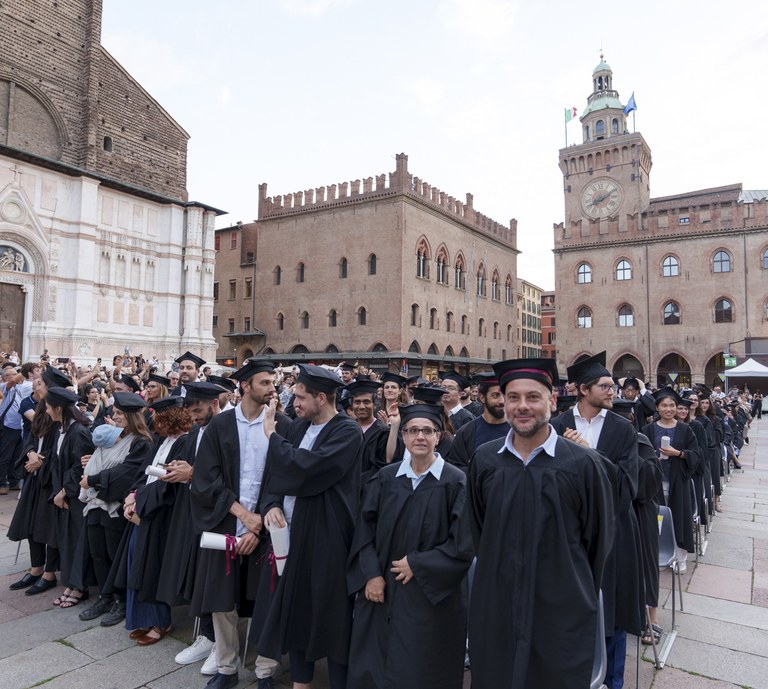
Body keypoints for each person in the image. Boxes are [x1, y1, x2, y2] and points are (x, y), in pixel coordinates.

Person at [467, 357, 615, 689]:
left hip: (560, 606)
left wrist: (571, 588)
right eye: (513, 397)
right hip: (498, 602)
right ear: (503, 402)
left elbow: (599, 541)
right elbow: (479, 531)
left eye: (533, 397)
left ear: (551, 400)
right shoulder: (486, 461)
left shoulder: (583, 465)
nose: (522, 406)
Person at [347, 403, 473, 689]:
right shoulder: (386, 478)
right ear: (402, 436)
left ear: (438, 436)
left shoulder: (455, 482)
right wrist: (371, 575)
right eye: (413, 430)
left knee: (421, 666)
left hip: (431, 596)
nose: (420, 437)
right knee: (376, 664)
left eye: (427, 431)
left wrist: (419, 563)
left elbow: (464, 545)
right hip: (382, 591)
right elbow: (364, 529)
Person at [258, 364, 363, 689]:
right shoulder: (300, 428)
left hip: (327, 536)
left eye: (301, 397)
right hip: (291, 535)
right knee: (298, 611)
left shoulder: (346, 431)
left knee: (333, 617)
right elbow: (276, 473)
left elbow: (308, 469)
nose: (295, 403)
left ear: (321, 397)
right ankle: (300, 682)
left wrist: (272, 436)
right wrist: (272, 503)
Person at [190, 360, 290, 689]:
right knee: (223, 601)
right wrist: (243, 517)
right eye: (264, 383)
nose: (272, 388)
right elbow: (206, 478)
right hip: (226, 523)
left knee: (267, 599)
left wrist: (257, 523)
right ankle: (227, 668)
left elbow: (284, 476)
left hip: (268, 526)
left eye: (272, 382)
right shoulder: (220, 425)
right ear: (245, 386)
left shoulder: (282, 425)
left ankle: (265, 670)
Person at [551, 352, 643, 689]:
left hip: (613, 533)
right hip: (569, 534)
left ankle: (612, 681)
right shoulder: (557, 427)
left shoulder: (622, 428)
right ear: (584, 389)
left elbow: (626, 486)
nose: (612, 391)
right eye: (605, 386)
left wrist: (590, 453)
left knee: (612, 612)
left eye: (613, 386)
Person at [157, 381, 226, 674]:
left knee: (216, 581)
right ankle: (206, 637)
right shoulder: (197, 431)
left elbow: (231, 474)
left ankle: (219, 643)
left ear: (214, 404)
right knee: (200, 577)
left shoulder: (228, 428)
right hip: (194, 511)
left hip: (220, 513)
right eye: (191, 410)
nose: (194, 417)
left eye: (198, 410)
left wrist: (193, 473)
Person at [113, 396, 192, 645]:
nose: (156, 425)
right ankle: (142, 619)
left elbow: (168, 484)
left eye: (160, 419)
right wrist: (132, 495)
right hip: (146, 507)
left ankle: (160, 621)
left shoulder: (185, 443)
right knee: (137, 564)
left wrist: (139, 498)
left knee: (153, 569)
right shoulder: (162, 440)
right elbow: (144, 472)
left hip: (162, 514)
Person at [77, 392, 154, 625]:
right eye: (115, 412)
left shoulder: (142, 442)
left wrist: (94, 480)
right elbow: (103, 456)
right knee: (97, 552)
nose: (114, 416)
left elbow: (127, 473)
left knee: (113, 554)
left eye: (120, 413)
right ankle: (105, 595)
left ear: (132, 416)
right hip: (96, 503)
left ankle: (119, 599)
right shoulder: (113, 437)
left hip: (115, 504)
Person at [8, 373, 62, 596]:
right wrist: (30, 454)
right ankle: (36, 567)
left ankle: (49, 573)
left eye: (39, 384)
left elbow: (61, 447)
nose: (35, 387)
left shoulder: (61, 413)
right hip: (34, 475)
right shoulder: (41, 409)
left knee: (47, 526)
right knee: (31, 523)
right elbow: (31, 437)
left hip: (49, 478)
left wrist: (41, 461)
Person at [641, 388, 699, 574]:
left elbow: (697, 456)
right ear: (657, 408)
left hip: (677, 482)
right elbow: (638, 456)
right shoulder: (647, 430)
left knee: (679, 520)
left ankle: (680, 558)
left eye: (672, 405)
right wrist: (651, 460)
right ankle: (655, 556)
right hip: (654, 483)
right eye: (664, 405)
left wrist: (679, 454)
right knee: (655, 520)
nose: (669, 409)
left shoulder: (685, 429)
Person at [48, 383, 95, 607]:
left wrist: (64, 492)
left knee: (78, 541)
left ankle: (80, 586)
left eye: (48, 407)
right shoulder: (63, 430)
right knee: (68, 540)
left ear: (58, 409)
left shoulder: (79, 432)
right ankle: (71, 583)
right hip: (65, 495)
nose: (46, 411)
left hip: (76, 496)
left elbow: (81, 466)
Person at [445, 373, 508, 472]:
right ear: (482, 398)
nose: (502, 401)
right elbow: (456, 468)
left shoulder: (518, 431)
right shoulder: (466, 433)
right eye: (495, 395)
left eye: (506, 395)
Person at [346, 379, 388, 480]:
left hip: (370, 490)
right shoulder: (346, 430)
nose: (361, 406)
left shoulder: (383, 433)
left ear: (374, 404)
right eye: (357, 402)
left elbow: (382, 468)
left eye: (366, 402)